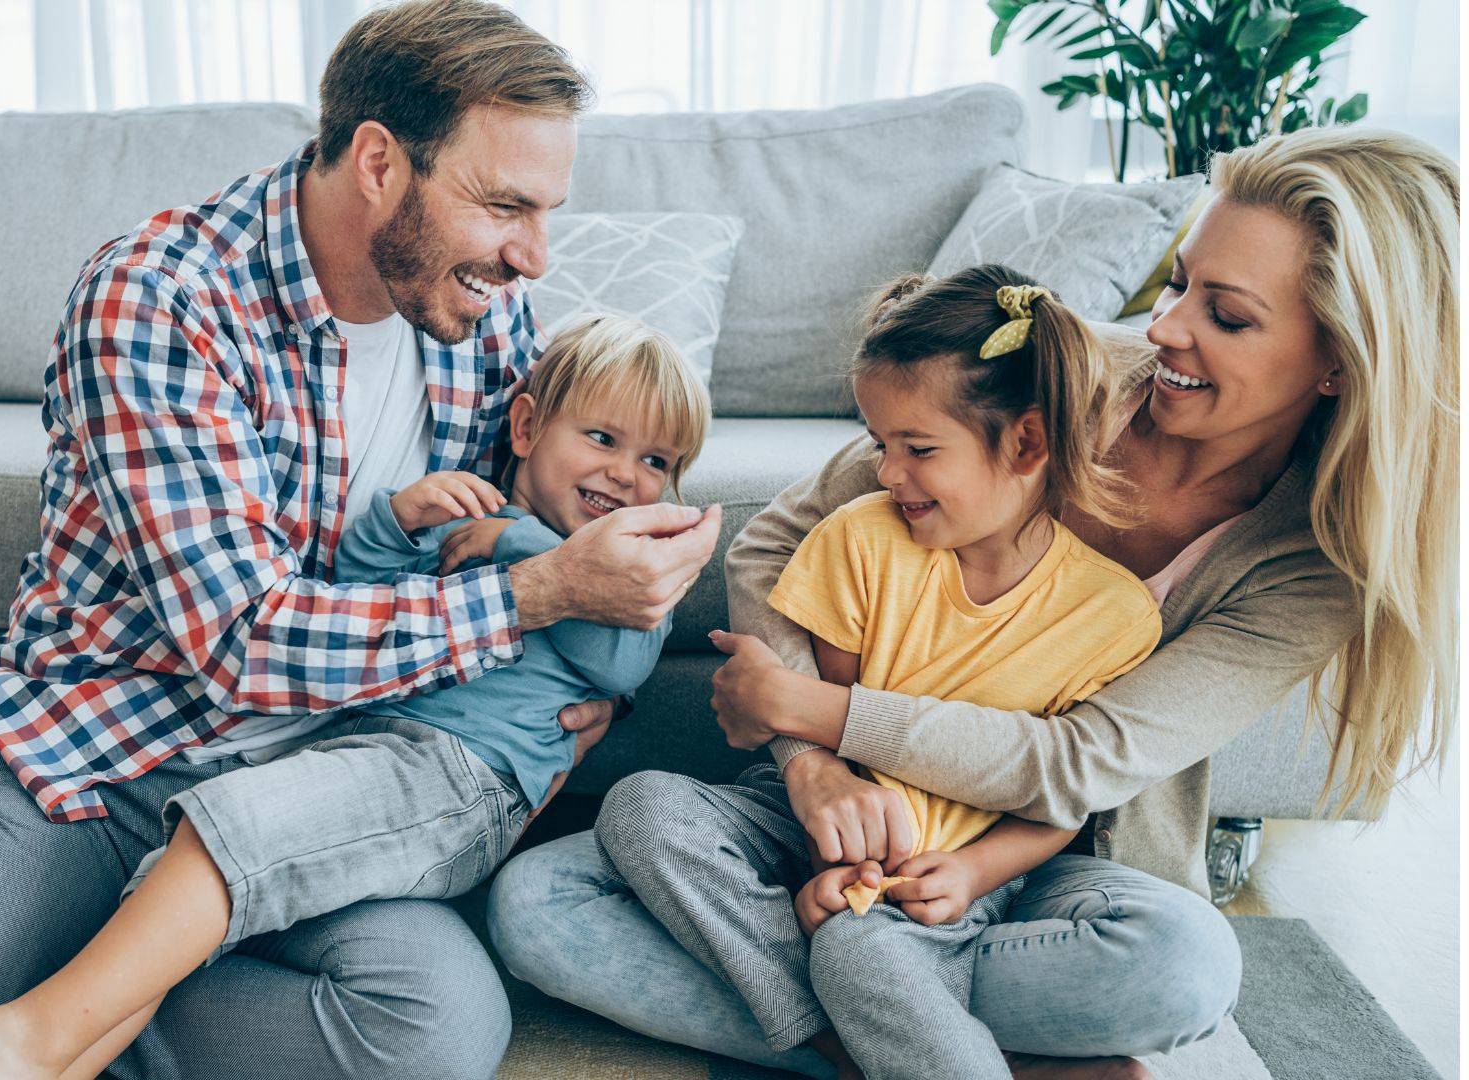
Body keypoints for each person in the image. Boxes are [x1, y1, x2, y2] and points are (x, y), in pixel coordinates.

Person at [0, 5, 721, 1078]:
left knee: (435, 1027)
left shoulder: (482, 313)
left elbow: (555, 533)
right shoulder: (160, 298)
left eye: (544, 212)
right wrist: (536, 599)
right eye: (504, 205)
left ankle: (57, 1025)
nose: (533, 257)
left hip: (317, 783)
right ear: (378, 163)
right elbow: (244, 643)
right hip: (107, 762)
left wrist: (581, 678)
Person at [490, 125, 1457, 1080]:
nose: (1164, 328)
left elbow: (1079, 762)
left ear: (1341, 361)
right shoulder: (1051, 371)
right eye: (1176, 284)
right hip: (840, 816)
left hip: (1027, 860)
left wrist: (818, 711)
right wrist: (812, 767)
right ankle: (890, 1040)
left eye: (1228, 315)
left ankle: (869, 1002)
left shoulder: (1311, 566)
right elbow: (781, 536)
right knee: (537, 902)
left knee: (1185, 966)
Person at [0, 314, 711, 1080]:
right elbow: (353, 592)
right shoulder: (462, 515)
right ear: (526, 426)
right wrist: (399, 521)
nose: (626, 475)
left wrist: (523, 548)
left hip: (454, 781)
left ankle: (28, 1037)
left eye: (656, 462)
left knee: (227, 844)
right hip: (356, 748)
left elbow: (623, 657)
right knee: (183, 885)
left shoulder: (613, 557)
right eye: (602, 438)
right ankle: (51, 1065)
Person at [596, 267, 1165, 1080]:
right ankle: (860, 1043)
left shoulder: (1111, 614)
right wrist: (832, 863)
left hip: (970, 859)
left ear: (1028, 443)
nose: (888, 472)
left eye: (919, 449)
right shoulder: (860, 540)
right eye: (879, 445)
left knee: (862, 947)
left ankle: (866, 1007)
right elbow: (834, 742)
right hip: (810, 820)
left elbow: (1062, 803)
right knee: (641, 808)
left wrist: (968, 874)